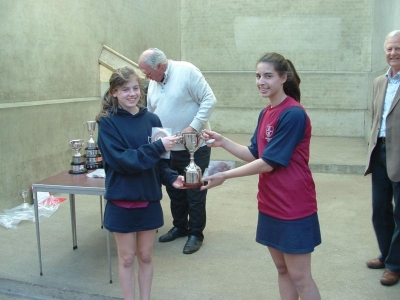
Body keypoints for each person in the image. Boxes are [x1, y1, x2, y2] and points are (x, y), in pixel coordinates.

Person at [201, 52, 321, 300]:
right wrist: (222, 141)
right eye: (258, 76)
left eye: (268, 75)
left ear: (283, 78)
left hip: (294, 205)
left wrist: (226, 176)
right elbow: (255, 153)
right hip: (270, 202)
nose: (261, 81)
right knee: (282, 269)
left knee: (300, 277)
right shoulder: (266, 113)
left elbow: (268, 163)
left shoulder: (293, 114)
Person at [96, 66, 185, 300]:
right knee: (126, 258)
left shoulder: (153, 119)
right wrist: (157, 147)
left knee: (145, 256)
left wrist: (172, 178)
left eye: (136, 88)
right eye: (125, 89)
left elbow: (160, 164)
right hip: (121, 200)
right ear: (114, 92)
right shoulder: (107, 123)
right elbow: (123, 161)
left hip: (148, 198)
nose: (132, 93)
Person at [138, 48, 217, 254]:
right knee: (174, 190)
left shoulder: (187, 71)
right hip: (168, 148)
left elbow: (209, 99)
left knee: (195, 191)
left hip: (194, 147)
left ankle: (196, 233)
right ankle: (180, 226)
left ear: (160, 66)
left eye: (147, 72)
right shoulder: (154, 84)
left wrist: (193, 127)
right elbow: (151, 113)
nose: (146, 77)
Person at [364, 30, 400, 286]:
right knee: (380, 210)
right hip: (380, 153)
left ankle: (395, 265)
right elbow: (376, 117)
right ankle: (387, 254)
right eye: (389, 48)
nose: (393, 53)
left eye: (397, 48)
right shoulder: (379, 81)